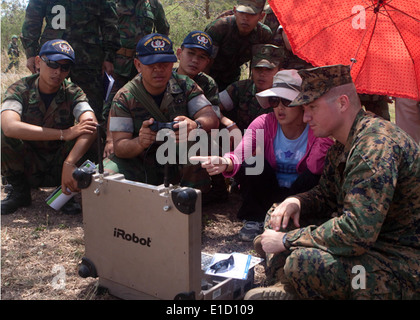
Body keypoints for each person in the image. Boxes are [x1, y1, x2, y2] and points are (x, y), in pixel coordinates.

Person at [244, 64, 420, 300]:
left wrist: (288, 240)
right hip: (371, 245)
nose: (306, 117)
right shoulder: (343, 143)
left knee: (303, 263)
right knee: (280, 214)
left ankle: (295, 286)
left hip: (402, 262)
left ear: (342, 103)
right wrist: (296, 201)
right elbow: (326, 195)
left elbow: (357, 232)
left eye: (312, 108)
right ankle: (286, 287)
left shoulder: (374, 146)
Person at [192, 69, 333, 241]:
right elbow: (240, 154)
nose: (280, 107)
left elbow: (316, 168)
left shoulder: (317, 128)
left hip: (299, 196)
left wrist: (325, 134)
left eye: (288, 101)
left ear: (303, 103)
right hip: (269, 192)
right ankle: (255, 217)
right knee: (253, 162)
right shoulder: (264, 123)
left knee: (312, 176)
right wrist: (225, 161)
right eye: (274, 100)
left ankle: (295, 220)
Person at [103, 33, 219, 192]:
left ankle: (192, 202)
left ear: (172, 64)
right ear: (138, 65)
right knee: (106, 174)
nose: (159, 70)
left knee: (199, 143)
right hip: (140, 160)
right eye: (151, 64)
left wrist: (195, 124)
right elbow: (120, 147)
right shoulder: (124, 97)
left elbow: (210, 116)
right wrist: (140, 142)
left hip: (175, 157)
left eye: (165, 63)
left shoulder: (185, 85)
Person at [1, 40, 98, 215]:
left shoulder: (73, 92)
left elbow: (91, 124)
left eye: (65, 67)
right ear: (38, 62)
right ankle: (20, 192)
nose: (57, 72)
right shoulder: (20, 89)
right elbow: (9, 126)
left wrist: (70, 163)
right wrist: (63, 134)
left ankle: (66, 192)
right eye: (52, 64)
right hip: (27, 164)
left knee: (93, 136)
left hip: (60, 166)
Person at [21, 0, 120, 122]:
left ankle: (92, 138)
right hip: (53, 57)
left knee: (92, 108)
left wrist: (108, 56)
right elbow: (33, 18)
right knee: (44, 104)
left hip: (88, 58)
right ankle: (46, 137)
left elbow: (110, 23)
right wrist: (30, 53)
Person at [102, 0, 170, 121]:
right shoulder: (113, 3)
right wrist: (106, 59)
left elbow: (163, 32)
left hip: (145, 65)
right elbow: (103, 31)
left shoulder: (154, 5)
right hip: (118, 64)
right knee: (110, 106)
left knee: (143, 103)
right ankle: (107, 137)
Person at [204, 0, 273, 91]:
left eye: (252, 14)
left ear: (261, 16)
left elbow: (260, 67)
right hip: (209, 75)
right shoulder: (219, 28)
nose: (245, 18)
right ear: (235, 11)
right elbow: (205, 62)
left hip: (232, 78)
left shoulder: (263, 34)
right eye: (242, 13)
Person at [219, 44, 284, 134]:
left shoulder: (284, 97)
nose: (262, 74)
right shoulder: (241, 87)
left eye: (268, 70)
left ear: (280, 72)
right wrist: (228, 124)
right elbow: (212, 108)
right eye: (258, 68)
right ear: (252, 69)